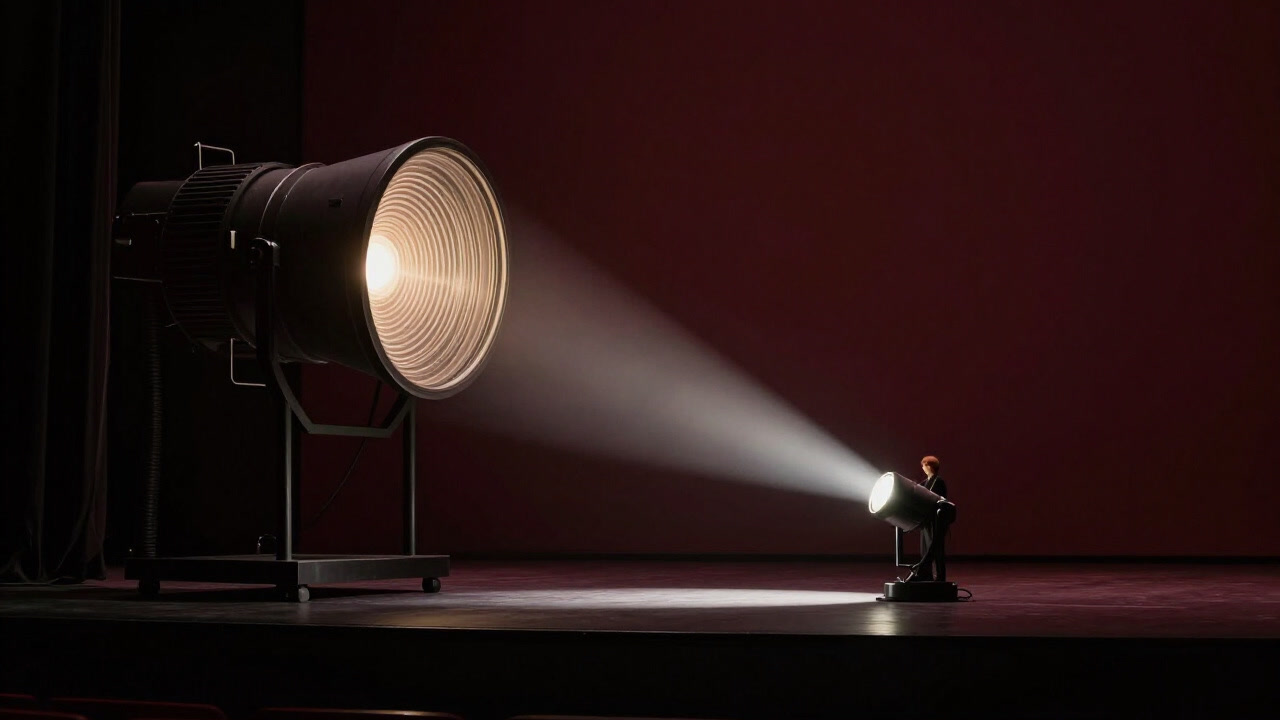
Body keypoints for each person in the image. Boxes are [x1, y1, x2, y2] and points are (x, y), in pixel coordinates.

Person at [910, 455, 949, 582]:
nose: (922, 468)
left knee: (936, 550)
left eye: (924, 465)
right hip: (926, 521)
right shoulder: (926, 482)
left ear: (929, 466)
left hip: (935, 522)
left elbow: (939, 500)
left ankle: (940, 578)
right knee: (925, 549)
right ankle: (926, 575)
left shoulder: (938, 481)